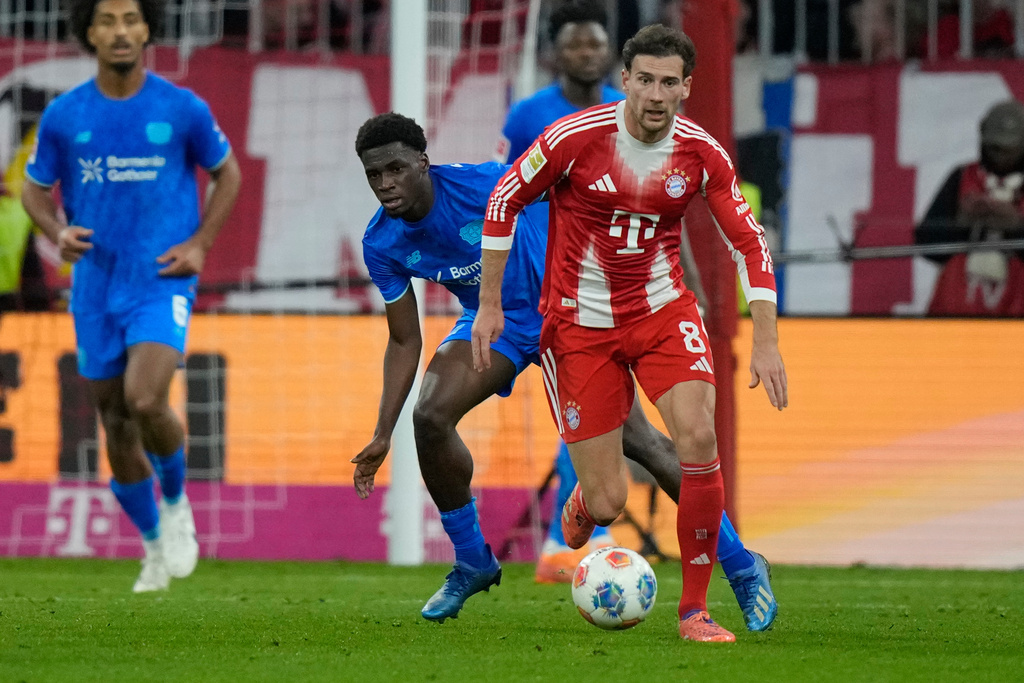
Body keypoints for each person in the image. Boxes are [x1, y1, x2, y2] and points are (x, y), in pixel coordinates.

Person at [353, 112, 778, 632]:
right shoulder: (381, 242)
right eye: (374, 175)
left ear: (423, 162)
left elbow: (575, 193)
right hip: (496, 324)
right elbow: (403, 338)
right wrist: (381, 432)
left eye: (395, 168)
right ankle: (472, 561)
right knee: (429, 416)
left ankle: (740, 565)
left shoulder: (486, 183)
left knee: (644, 444)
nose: (385, 183)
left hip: (570, 316)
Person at [471, 25, 787, 643]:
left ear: (686, 89)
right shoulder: (573, 138)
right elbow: (503, 201)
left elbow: (749, 243)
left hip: (662, 313)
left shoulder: (702, 154)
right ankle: (588, 506)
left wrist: (769, 340)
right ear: (625, 81)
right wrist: (488, 307)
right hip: (579, 328)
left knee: (697, 436)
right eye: (645, 79)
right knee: (609, 499)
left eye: (669, 82)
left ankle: (698, 606)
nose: (655, 93)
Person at [21, 0, 242, 592]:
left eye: (130, 19)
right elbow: (34, 190)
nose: (120, 31)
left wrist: (199, 243)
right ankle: (150, 548)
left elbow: (229, 173)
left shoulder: (180, 107)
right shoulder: (67, 115)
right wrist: (56, 232)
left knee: (145, 400)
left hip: (160, 281)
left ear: (146, 30)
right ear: (89, 33)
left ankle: (176, 506)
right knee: (114, 421)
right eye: (108, 21)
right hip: (94, 287)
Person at [496, 0, 712, 585]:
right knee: (597, 422)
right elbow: (506, 192)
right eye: (576, 44)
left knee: (658, 432)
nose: (586, 52)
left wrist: (687, 277)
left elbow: (664, 211)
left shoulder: (638, 112)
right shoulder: (532, 117)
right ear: (556, 53)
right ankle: (576, 525)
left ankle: (596, 524)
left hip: (638, 294)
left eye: (595, 43)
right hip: (550, 285)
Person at [915, 99, 1024, 317]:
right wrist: (960, 225)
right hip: (955, 314)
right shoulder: (962, 176)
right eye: (995, 147)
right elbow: (926, 246)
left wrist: (1017, 227)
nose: (1001, 154)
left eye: (1011, 148)